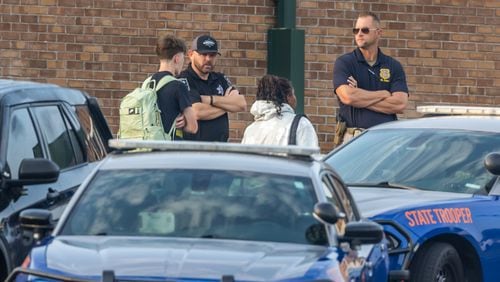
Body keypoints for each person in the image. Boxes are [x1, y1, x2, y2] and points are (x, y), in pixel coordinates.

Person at [333, 11, 409, 145]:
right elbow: (348, 97)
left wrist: (360, 96)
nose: (359, 34)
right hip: (353, 138)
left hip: (386, 140)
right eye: (356, 30)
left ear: (379, 33)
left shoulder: (393, 66)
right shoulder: (345, 63)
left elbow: (400, 104)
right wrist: (383, 94)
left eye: (365, 30)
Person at [178, 34, 246, 142]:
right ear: (191, 54)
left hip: (220, 149)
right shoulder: (184, 80)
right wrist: (227, 105)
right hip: (194, 149)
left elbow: (241, 104)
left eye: (212, 55)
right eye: (203, 54)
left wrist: (210, 99)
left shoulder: (220, 78)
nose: (208, 59)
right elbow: (196, 112)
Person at [241, 74, 319, 147]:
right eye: (293, 93)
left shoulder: (250, 130)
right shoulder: (301, 124)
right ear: (288, 97)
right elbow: (311, 158)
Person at [152, 34, 197, 138]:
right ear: (176, 58)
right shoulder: (178, 86)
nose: (183, 62)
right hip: (168, 148)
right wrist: (185, 123)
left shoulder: (147, 83)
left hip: (149, 146)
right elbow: (193, 127)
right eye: (183, 58)